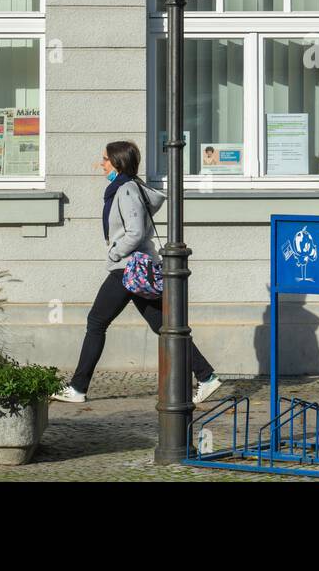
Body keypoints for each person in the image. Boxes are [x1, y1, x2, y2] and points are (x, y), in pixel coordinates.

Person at [52, 140, 222, 405]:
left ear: (117, 163)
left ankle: (77, 387)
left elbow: (135, 232)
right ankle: (207, 376)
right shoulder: (127, 188)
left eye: (105, 159)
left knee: (96, 322)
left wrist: (115, 253)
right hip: (137, 267)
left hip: (127, 268)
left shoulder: (127, 190)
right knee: (164, 326)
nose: (101, 163)